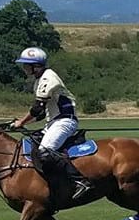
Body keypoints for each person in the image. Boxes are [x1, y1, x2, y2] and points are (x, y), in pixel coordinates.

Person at [9, 47, 92, 202]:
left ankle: (80, 180)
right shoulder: (38, 81)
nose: (24, 68)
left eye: (27, 65)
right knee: (32, 141)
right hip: (52, 122)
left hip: (64, 121)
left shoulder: (48, 78)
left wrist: (21, 122)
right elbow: (40, 114)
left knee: (45, 151)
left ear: (36, 66)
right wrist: (21, 123)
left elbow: (36, 109)